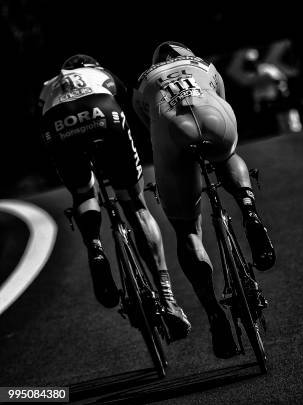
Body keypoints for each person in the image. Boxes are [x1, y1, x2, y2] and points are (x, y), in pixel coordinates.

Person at [132, 41, 276, 358]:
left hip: (172, 131)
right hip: (215, 119)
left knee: (187, 231)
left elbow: (149, 128)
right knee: (227, 155)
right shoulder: (205, 66)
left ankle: (214, 315)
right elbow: (220, 98)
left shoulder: (144, 81)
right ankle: (249, 211)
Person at [38, 54, 191, 340]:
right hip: (102, 112)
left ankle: (95, 246)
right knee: (135, 205)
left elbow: (39, 118)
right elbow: (129, 104)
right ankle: (167, 298)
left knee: (84, 191)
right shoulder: (99, 71)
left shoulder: (50, 84)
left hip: (56, 123)